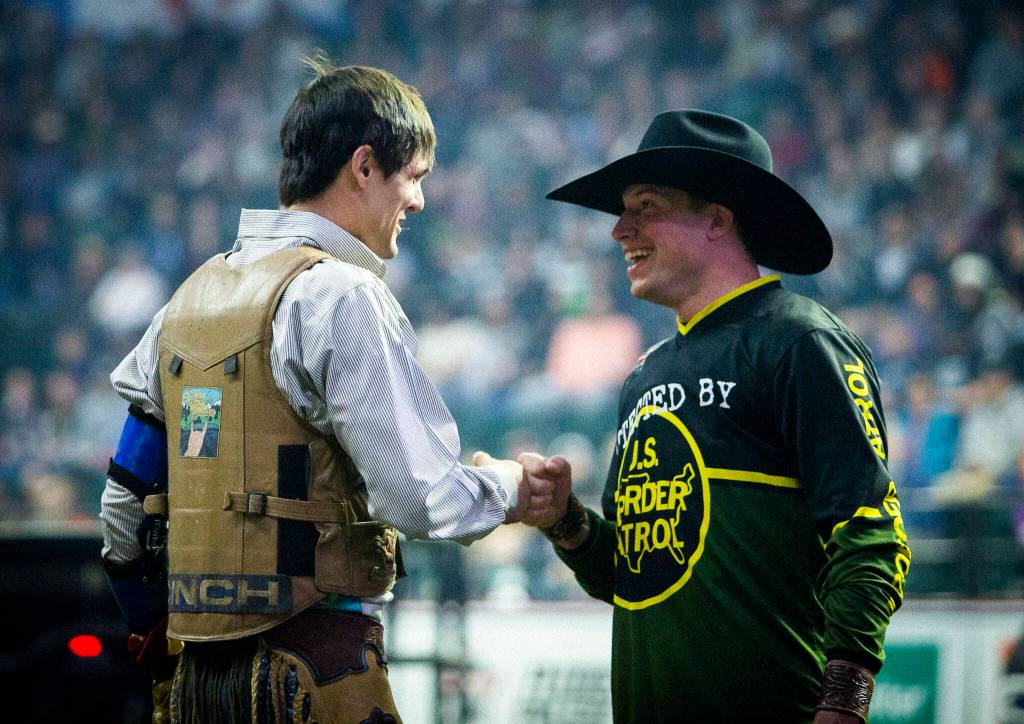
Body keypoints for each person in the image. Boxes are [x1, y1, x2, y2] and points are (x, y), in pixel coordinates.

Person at [99, 61, 560, 724]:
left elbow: (121, 507)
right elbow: (421, 498)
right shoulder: (342, 296)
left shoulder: (185, 301)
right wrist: (513, 488)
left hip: (195, 681)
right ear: (365, 166)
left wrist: (156, 638)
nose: (420, 202)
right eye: (415, 177)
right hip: (318, 671)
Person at [522, 110, 912, 723]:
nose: (619, 230)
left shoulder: (798, 341)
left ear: (717, 218)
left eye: (644, 206)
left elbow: (870, 533)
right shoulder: (641, 376)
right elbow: (635, 579)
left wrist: (844, 704)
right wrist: (565, 521)